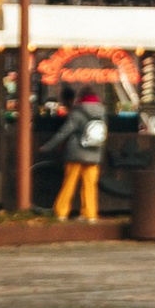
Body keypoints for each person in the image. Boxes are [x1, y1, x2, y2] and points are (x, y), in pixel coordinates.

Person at [51, 91, 108, 224]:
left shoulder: (77, 112)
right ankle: (90, 214)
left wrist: (49, 146)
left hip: (75, 153)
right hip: (94, 153)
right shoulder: (102, 114)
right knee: (90, 185)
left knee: (69, 183)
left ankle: (61, 212)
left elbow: (64, 133)